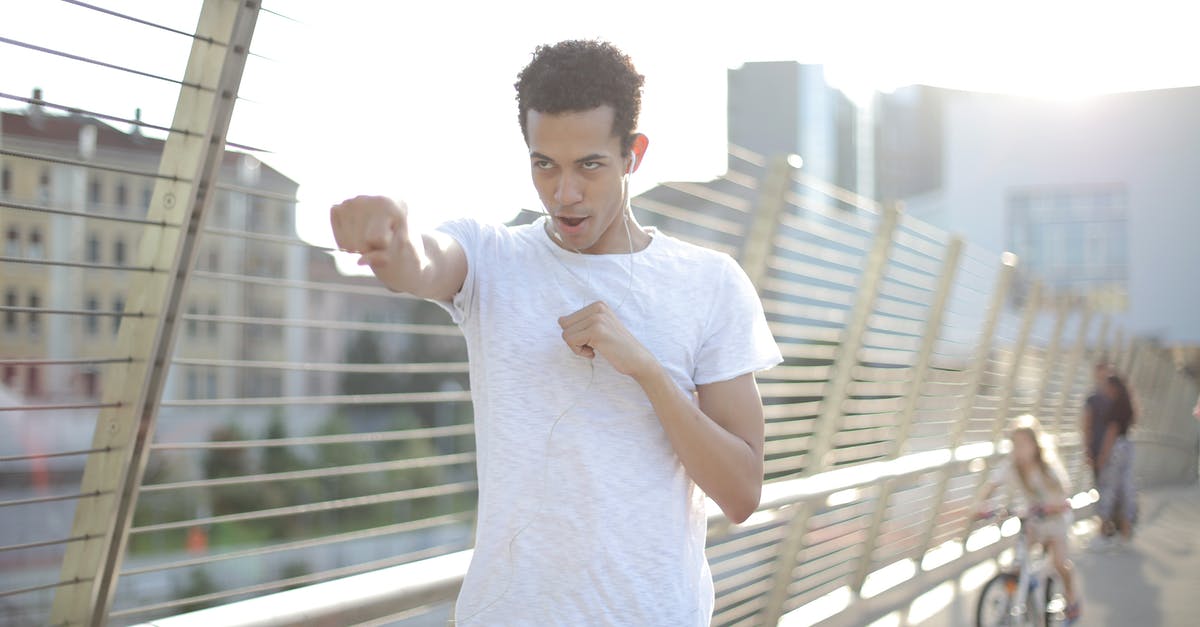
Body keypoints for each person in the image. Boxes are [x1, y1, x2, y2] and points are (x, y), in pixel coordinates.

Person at [329, 40, 782, 626]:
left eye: (589, 164)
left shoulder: (710, 282)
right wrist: (392, 234)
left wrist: (647, 370)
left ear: (632, 156)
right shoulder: (493, 256)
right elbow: (424, 262)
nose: (564, 193)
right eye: (545, 163)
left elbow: (742, 493)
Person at [981, 414, 1081, 623]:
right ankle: (1017, 599)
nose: (1019, 449)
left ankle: (1072, 600)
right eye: (1015, 444)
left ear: (1035, 445)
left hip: (1055, 520)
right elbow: (991, 485)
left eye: (1024, 444)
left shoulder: (1048, 466)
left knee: (1060, 562)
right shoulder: (1011, 465)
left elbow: (1064, 496)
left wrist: (1050, 507)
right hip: (1034, 520)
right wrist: (980, 505)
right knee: (1019, 560)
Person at [1094, 373, 1138, 546]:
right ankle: (1126, 529)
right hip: (1128, 446)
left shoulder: (1115, 406)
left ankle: (1103, 528)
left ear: (1113, 387)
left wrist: (1102, 457)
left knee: (1108, 487)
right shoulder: (1128, 405)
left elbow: (1111, 432)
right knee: (1126, 488)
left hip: (1116, 448)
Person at [1082, 361, 1114, 535]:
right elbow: (1086, 425)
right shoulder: (1092, 399)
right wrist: (1087, 450)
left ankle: (1108, 521)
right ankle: (1104, 522)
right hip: (1096, 449)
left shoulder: (1115, 398)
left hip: (1113, 450)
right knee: (1100, 485)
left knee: (1110, 485)